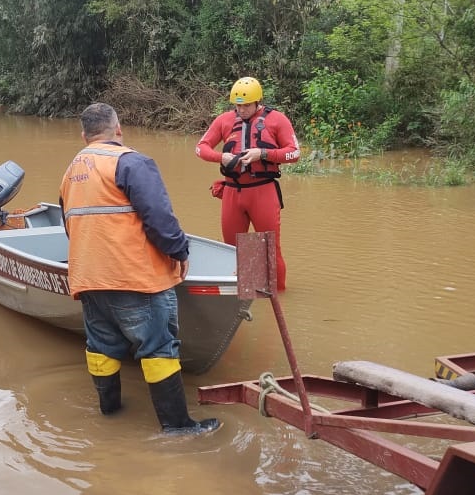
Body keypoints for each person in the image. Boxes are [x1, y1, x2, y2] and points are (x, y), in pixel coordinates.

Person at [59, 102, 220, 436]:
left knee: (101, 347)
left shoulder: (71, 172)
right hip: (135, 279)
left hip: (89, 280)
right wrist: (180, 251)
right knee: (159, 348)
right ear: (118, 129)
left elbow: (69, 225)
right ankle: (177, 427)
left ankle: (110, 413)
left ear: (84, 134)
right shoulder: (131, 162)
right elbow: (160, 219)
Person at [195, 77, 300, 292]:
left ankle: (276, 298)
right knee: (233, 250)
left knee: (269, 249)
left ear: (257, 102)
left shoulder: (277, 120)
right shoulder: (224, 120)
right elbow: (201, 148)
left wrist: (262, 153)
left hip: (263, 191)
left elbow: (294, 153)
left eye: (246, 106)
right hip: (232, 193)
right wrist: (220, 157)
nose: (241, 110)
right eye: (237, 106)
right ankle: (244, 295)